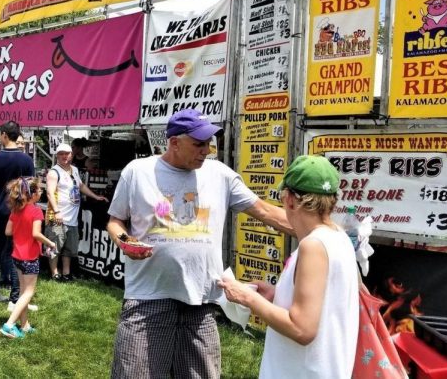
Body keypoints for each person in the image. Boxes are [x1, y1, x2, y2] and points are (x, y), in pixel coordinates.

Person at [106, 108, 292, 379]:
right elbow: (115, 221)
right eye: (198, 144)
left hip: (202, 302)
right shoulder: (138, 171)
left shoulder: (220, 175)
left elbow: (265, 212)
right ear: (174, 143)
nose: (206, 150)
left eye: (209, 143)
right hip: (148, 298)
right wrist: (125, 242)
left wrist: (323, 233)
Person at [218, 155, 359, 379]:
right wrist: (276, 295)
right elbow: (323, 304)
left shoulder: (313, 246)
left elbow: (302, 329)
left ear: (290, 200)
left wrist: (248, 298)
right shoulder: (338, 237)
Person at [0, 121, 35, 310]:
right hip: (18, 213)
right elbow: (31, 189)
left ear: (4, 135)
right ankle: (15, 298)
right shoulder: (26, 160)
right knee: (17, 254)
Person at [1, 176, 55, 339]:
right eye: (39, 190)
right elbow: (36, 234)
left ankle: (24, 325)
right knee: (28, 293)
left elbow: (8, 232)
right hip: (30, 257)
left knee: (24, 292)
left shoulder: (15, 210)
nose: (41, 191)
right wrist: (50, 243)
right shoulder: (36, 211)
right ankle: (9, 325)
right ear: (32, 194)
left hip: (17, 256)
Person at [45, 143, 108, 281]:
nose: (64, 156)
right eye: (61, 154)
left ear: (71, 155)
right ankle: (55, 273)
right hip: (58, 217)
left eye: (67, 154)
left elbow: (80, 185)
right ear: (57, 156)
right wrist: (56, 211)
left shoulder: (74, 169)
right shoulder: (54, 172)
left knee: (69, 249)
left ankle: (66, 273)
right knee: (54, 246)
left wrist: (95, 196)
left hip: (72, 218)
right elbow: (49, 193)